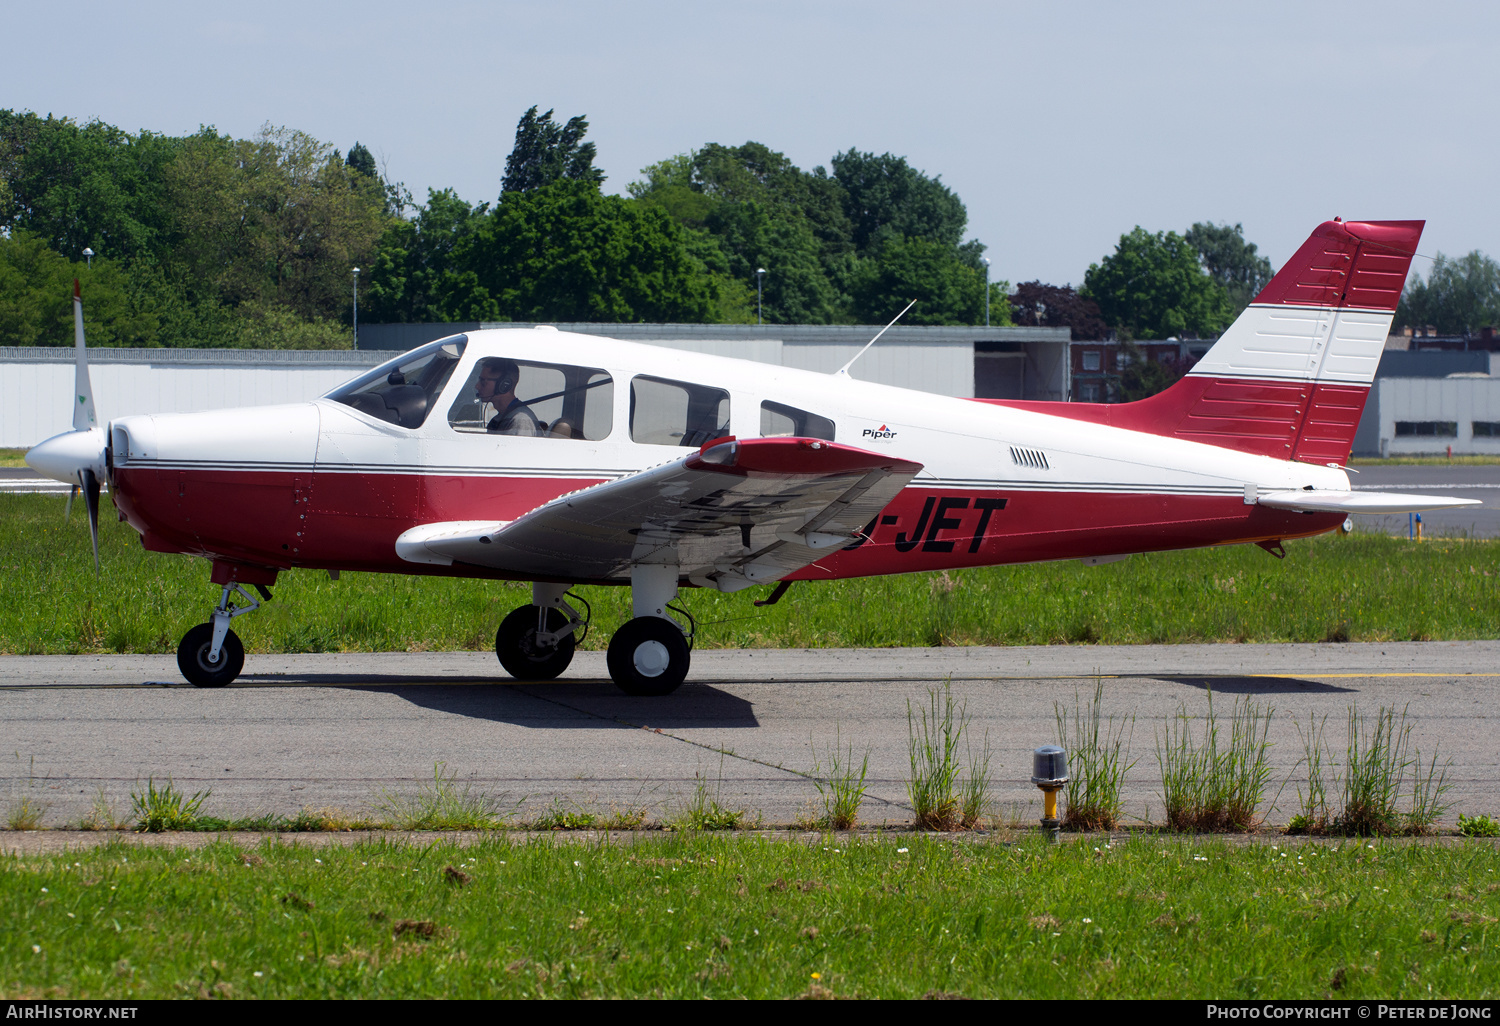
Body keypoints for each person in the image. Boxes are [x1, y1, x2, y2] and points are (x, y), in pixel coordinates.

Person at [475, 358, 541, 436]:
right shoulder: (499, 419)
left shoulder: (520, 420)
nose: (477, 386)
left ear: (504, 385)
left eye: (483, 381)